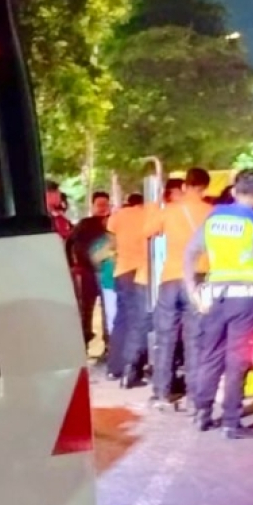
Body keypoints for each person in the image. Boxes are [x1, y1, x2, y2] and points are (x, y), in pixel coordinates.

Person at [184, 169, 253, 439]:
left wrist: (192, 290)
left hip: (214, 296)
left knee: (210, 355)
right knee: (237, 360)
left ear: (234, 191)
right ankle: (231, 422)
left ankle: (202, 412)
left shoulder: (214, 216)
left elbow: (190, 253)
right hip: (245, 300)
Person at [147, 169, 213, 410]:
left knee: (165, 338)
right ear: (205, 187)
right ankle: (194, 397)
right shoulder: (211, 212)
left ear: (185, 185)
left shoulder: (170, 210)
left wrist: (155, 206)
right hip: (199, 278)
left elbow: (148, 231)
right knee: (195, 339)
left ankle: (161, 394)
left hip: (171, 278)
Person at [107, 192, 150, 388]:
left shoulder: (117, 216)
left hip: (121, 271)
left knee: (121, 320)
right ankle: (130, 369)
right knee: (137, 322)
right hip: (139, 272)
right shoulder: (148, 214)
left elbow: (111, 244)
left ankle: (114, 367)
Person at [69, 191, 112, 348]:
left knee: (108, 309)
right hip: (86, 272)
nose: (102, 208)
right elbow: (69, 243)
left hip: (107, 272)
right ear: (92, 206)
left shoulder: (113, 223)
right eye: (99, 205)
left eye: (105, 204)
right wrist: (73, 265)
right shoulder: (84, 224)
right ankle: (83, 342)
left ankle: (109, 343)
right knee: (86, 309)